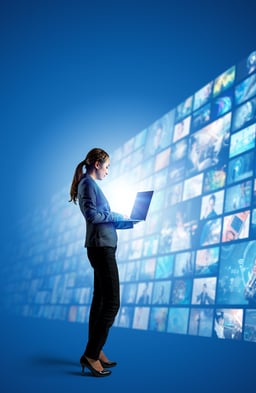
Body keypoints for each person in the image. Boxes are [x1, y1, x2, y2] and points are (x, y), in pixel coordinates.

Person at [70, 148, 134, 377]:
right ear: (97, 164)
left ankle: (96, 351)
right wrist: (115, 216)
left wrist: (126, 220)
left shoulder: (91, 185)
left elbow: (101, 216)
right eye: (107, 166)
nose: (108, 171)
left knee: (100, 302)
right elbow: (92, 216)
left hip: (102, 247)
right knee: (112, 303)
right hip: (101, 250)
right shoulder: (87, 184)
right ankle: (90, 354)